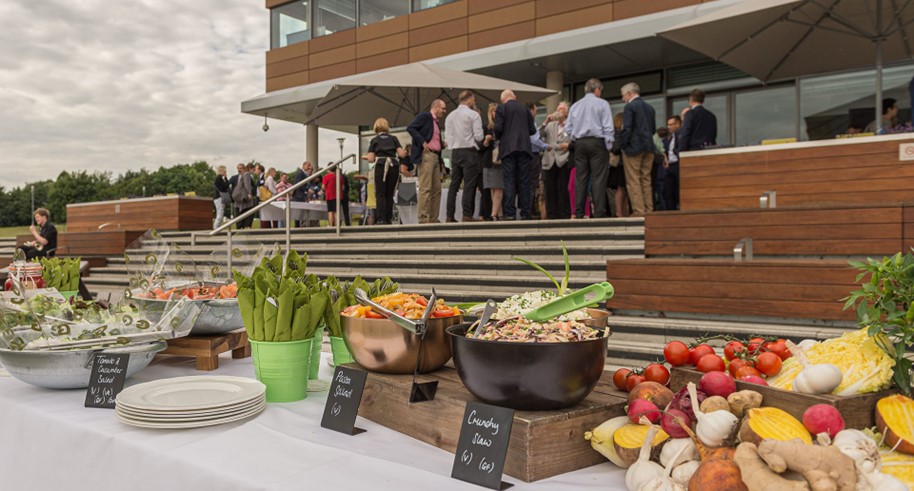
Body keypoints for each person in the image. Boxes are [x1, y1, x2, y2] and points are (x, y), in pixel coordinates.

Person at [565, 78, 614, 218]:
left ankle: (579, 212)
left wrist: (575, 137)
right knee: (598, 178)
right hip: (597, 142)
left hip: (580, 143)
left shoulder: (575, 106)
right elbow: (608, 127)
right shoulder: (603, 104)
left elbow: (568, 129)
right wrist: (608, 145)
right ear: (597, 89)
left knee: (580, 178)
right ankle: (598, 212)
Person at [494, 89, 536, 220]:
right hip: (524, 147)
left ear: (503, 99)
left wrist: (499, 136)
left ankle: (510, 213)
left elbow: (498, 128)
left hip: (508, 148)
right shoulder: (525, 109)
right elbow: (532, 130)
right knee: (524, 181)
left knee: (509, 180)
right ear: (514, 97)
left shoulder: (502, 108)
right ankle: (525, 212)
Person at [445, 90, 484, 222]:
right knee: (469, 184)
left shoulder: (450, 116)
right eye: (473, 100)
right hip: (469, 151)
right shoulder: (473, 115)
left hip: (455, 152)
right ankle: (466, 214)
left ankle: (449, 215)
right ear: (469, 100)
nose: (474, 103)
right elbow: (479, 136)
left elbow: (448, 137)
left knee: (454, 185)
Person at [618, 82, 656, 217]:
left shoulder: (630, 107)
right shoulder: (650, 108)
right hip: (649, 147)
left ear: (630, 93)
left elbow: (627, 129)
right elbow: (652, 129)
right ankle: (649, 210)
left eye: (623, 96)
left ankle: (639, 211)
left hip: (634, 148)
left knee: (634, 180)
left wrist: (621, 145)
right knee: (646, 179)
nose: (623, 99)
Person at [407, 99, 446, 224]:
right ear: (436, 107)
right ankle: (423, 218)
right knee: (425, 188)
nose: (444, 111)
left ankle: (433, 218)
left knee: (437, 189)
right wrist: (423, 142)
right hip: (427, 156)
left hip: (435, 156)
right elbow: (411, 128)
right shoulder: (425, 116)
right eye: (443, 108)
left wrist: (441, 143)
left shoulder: (435, 122)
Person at [363, 117, 408, 225]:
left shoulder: (374, 140)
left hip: (381, 165)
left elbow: (371, 159)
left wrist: (364, 157)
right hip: (393, 165)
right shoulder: (393, 138)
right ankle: (388, 219)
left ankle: (380, 219)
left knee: (380, 193)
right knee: (389, 194)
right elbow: (402, 154)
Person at [539, 101, 572, 219]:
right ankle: (552, 214)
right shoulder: (550, 125)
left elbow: (569, 141)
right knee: (550, 190)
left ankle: (564, 214)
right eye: (558, 109)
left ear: (567, 112)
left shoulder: (570, 125)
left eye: (562, 109)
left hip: (563, 159)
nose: (559, 111)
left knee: (563, 189)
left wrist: (556, 146)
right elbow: (538, 136)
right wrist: (545, 122)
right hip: (549, 161)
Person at [481, 103, 504, 220]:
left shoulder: (504, 126)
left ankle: (493, 214)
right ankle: (499, 214)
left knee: (499, 187)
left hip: (500, 161)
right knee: (492, 188)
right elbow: (481, 146)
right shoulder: (486, 127)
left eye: (497, 111)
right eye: (493, 112)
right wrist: (486, 141)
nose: (495, 114)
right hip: (489, 160)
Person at [527, 102, 550, 219]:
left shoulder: (521, 123)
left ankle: (527, 209)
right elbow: (535, 139)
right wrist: (547, 146)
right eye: (535, 110)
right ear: (531, 111)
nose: (536, 112)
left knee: (526, 184)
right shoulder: (530, 123)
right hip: (533, 155)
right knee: (532, 184)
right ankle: (529, 210)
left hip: (525, 156)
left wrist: (545, 123)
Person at [608, 112, 628, 218]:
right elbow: (615, 149)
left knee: (623, 190)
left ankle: (622, 212)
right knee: (621, 189)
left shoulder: (615, 133)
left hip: (619, 165)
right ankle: (619, 212)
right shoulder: (618, 133)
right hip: (620, 165)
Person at [663, 115, 683, 211]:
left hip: (678, 164)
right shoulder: (669, 138)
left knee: (678, 190)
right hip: (669, 166)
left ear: (678, 124)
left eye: (671, 124)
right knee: (668, 191)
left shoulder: (681, 135)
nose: (669, 127)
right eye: (668, 125)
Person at [231, 163, 256, 229]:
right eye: (238, 168)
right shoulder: (247, 174)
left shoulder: (244, 174)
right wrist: (249, 194)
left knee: (242, 213)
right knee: (248, 212)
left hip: (242, 198)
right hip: (244, 198)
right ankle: (245, 226)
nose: (239, 170)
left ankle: (242, 227)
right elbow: (247, 185)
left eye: (240, 168)